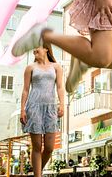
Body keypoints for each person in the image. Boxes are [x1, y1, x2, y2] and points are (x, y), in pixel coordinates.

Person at [20, 43, 64, 177]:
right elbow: (26, 90)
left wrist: (62, 103)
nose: (34, 50)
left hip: (50, 107)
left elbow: (60, 87)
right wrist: (22, 109)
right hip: (34, 107)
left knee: (50, 148)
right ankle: (37, 175)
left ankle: (37, 172)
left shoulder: (56, 67)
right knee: (37, 146)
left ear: (46, 49)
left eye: (37, 47)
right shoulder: (30, 68)